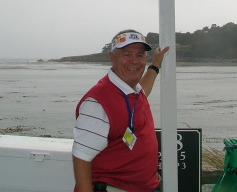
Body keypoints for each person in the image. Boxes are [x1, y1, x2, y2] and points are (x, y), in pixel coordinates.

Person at [72, 30, 170, 192]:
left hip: (147, 185)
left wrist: (156, 65)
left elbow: (145, 88)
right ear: (112, 58)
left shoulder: (135, 91)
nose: (134, 61)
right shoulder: (98, 102)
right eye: (127, 54)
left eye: (139, 55)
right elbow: (81, 157)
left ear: (145, 59)